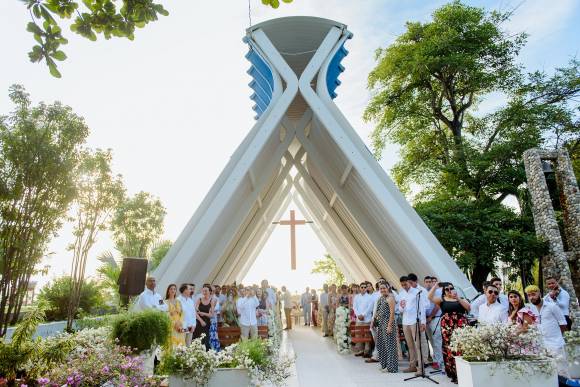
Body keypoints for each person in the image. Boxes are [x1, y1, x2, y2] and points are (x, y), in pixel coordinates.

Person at [428, 281, 471, 384]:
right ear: (444, 291)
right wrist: (435, 286)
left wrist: (457, 298)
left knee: (461, 348)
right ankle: (453, 372)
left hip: (460, 325)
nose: (449, 290)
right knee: (450, 349)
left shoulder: (460, 298)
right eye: (447, 289)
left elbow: (468, 308)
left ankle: (463, 373)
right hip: (447, 326)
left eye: (451, 288)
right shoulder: (442, 300)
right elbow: (429, 297)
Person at [525, 285, 568, 374]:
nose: (531, 297)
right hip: (541, 346)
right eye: (529, 295)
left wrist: (558, 337)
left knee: (561, 372)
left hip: (556, 344)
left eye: (533, 294)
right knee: (547, 373)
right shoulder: (531, 310)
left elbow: (563, 323)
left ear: (539, 293)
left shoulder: (552, 306)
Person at [399, 273, 428, 374]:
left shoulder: (417, 292)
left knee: (417, 345)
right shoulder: (401, 293)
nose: (404, 286)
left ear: (409, 283)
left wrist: (423, 322)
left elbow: (423, 308)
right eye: (402, 285)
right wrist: (402, 307)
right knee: (410, 345)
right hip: (405, 321)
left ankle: (421, 368)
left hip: (415, 321)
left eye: (405, 284)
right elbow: (400, 309)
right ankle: (412, 366)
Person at [375, 282, 398, 373]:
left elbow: (392, 313)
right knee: (382, 345)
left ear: (388, 288)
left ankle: (391, 367)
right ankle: (384, 364)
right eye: (381, 288)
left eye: (384, 288)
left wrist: (389, 326)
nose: (382, 290)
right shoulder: (381, 298)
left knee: (390, 346)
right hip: (381, 324)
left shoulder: (390, 298)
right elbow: (378, 310)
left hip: (388, 323)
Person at [424, 276, 443, 371]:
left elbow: (437, 306)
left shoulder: (438, 292)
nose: (428, 283)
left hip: (435, 318)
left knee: (437, 341)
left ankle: (440, 363)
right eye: (426, 282)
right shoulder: (423, 292)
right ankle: (436, 360)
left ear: (433, 283)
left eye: (430, 282)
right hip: (426, 320)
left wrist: (430, 317)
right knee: (431, 341)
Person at [353, 282, 374, 358]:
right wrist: (358, 315)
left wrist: (363, 315)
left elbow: (370, 308)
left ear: (366, 288)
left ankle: (367, 351)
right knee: (359, 335)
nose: (363, 288)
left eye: (365, 287)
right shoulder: (356, 297)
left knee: (367, 335)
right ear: (359, 288)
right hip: (359, 319)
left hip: (367, 319)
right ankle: (360, 350)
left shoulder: (370, 297)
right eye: (362, 287)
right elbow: (354, 307)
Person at [366, 280, 383, 364]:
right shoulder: (375, 295)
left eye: (382, 282)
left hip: (385, 319)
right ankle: (376, 355)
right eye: (379, 283)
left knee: (383, 339)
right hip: (375, 318)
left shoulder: (391, 294)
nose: (381, 285)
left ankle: (379, 356)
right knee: (376, 338)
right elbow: (372, 307)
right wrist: (373, 319)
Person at [165, 284, 186, 348]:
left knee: (179, 345)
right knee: (171, 344)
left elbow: (183, 313)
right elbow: (164, 314)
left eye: (174, 289)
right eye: (171, 289)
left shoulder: (179, 301)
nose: (173, 290)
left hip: (179, 325)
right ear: (168, 291)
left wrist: (180, 323)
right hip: (171, 325)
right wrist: (174, 323)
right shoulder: (164, 301)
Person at [194, 284, 213, 350]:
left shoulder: (212, 301)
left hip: (207, 323)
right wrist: (200, 320)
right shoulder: (199, 299)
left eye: (206, 290)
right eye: (203, 290)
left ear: (210, 291)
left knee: (205, 340)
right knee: (198, 339)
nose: (204, 292)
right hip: (199, 322)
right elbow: (195, 311)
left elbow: (211, 315)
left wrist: (203, 313)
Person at [209, 286, 221, 351]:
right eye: (211, 290)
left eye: (214, 290)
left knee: (214, 335)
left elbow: (217, 309)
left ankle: (214, 349)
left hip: (213, 319)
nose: (213, 291)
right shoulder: (205, 297)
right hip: (207, 319)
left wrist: (210, 309)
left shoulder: (216, 298)